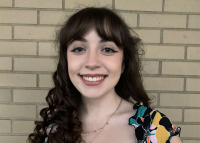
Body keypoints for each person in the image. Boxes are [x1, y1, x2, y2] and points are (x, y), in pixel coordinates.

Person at [28, 7, 181, 143]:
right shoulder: (51, 129)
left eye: (107, 49)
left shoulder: (156, 129)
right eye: (79, 49)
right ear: (66, 60)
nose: (92, 62)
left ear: (123, 64)